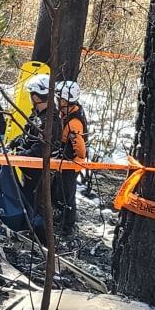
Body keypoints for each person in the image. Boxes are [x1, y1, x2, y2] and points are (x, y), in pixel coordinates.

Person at [8, 74, 62, 237]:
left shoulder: (49, 122)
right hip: (30, 169)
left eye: (31, 94)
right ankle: (31, 230)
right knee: (29, 200)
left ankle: (41, 238)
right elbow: (27, 134)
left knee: (37, 205)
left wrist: (17, 156)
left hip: (39, 171)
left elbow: (39, 151)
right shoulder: (37, 115)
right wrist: (13, 144)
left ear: (36, 96)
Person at [53, 80, 88, 235]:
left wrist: (71, 159)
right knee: (58, 191)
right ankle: (61, 217)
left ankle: (67, 225)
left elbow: (80, 150)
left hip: (70, 164)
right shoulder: (68, 113)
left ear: (64, 100)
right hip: (64, 162)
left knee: (67, 194)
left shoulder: (73, 122)